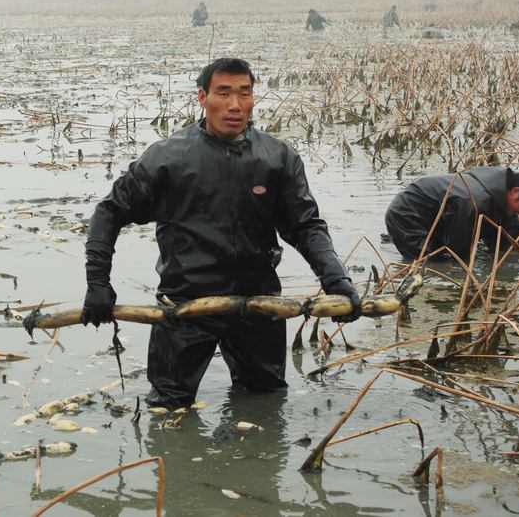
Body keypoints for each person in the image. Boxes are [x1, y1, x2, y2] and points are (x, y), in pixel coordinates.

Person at [82, 58, 360, 408]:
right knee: (168, 410)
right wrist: (98, 283)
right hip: (185, 307)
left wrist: (337, 280)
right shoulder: (167, 159)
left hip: (259, 304)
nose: (235, 105)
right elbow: (109, 213)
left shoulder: (277, 158)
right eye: (224, 93)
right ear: (203, 97)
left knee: (266, 404)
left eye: (245, 93)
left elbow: (306, 226)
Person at [385, 167, 519, 263]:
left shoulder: (503, 200)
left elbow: (509, 243)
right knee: (436, 261)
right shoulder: (475, 202)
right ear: (516, 192)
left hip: (440, 218)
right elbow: (458, 252)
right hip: (407, 214)